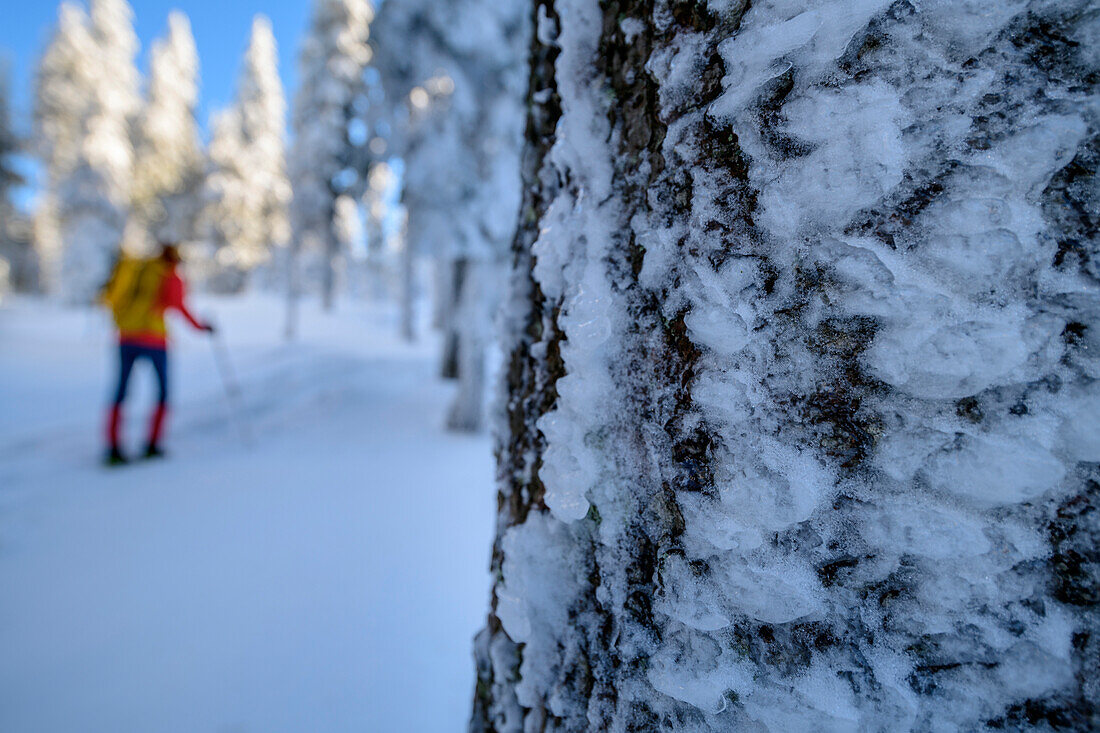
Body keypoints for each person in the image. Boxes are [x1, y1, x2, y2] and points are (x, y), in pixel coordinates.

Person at [100, 243, 214, 465]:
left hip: (126, 337)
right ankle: (152, 444)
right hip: (155, 340)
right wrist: (202, 328)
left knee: (120, 392)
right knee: (162, 392)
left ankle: (113, 446)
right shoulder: (170, 276)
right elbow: (179, 307)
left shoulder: (140, 270)